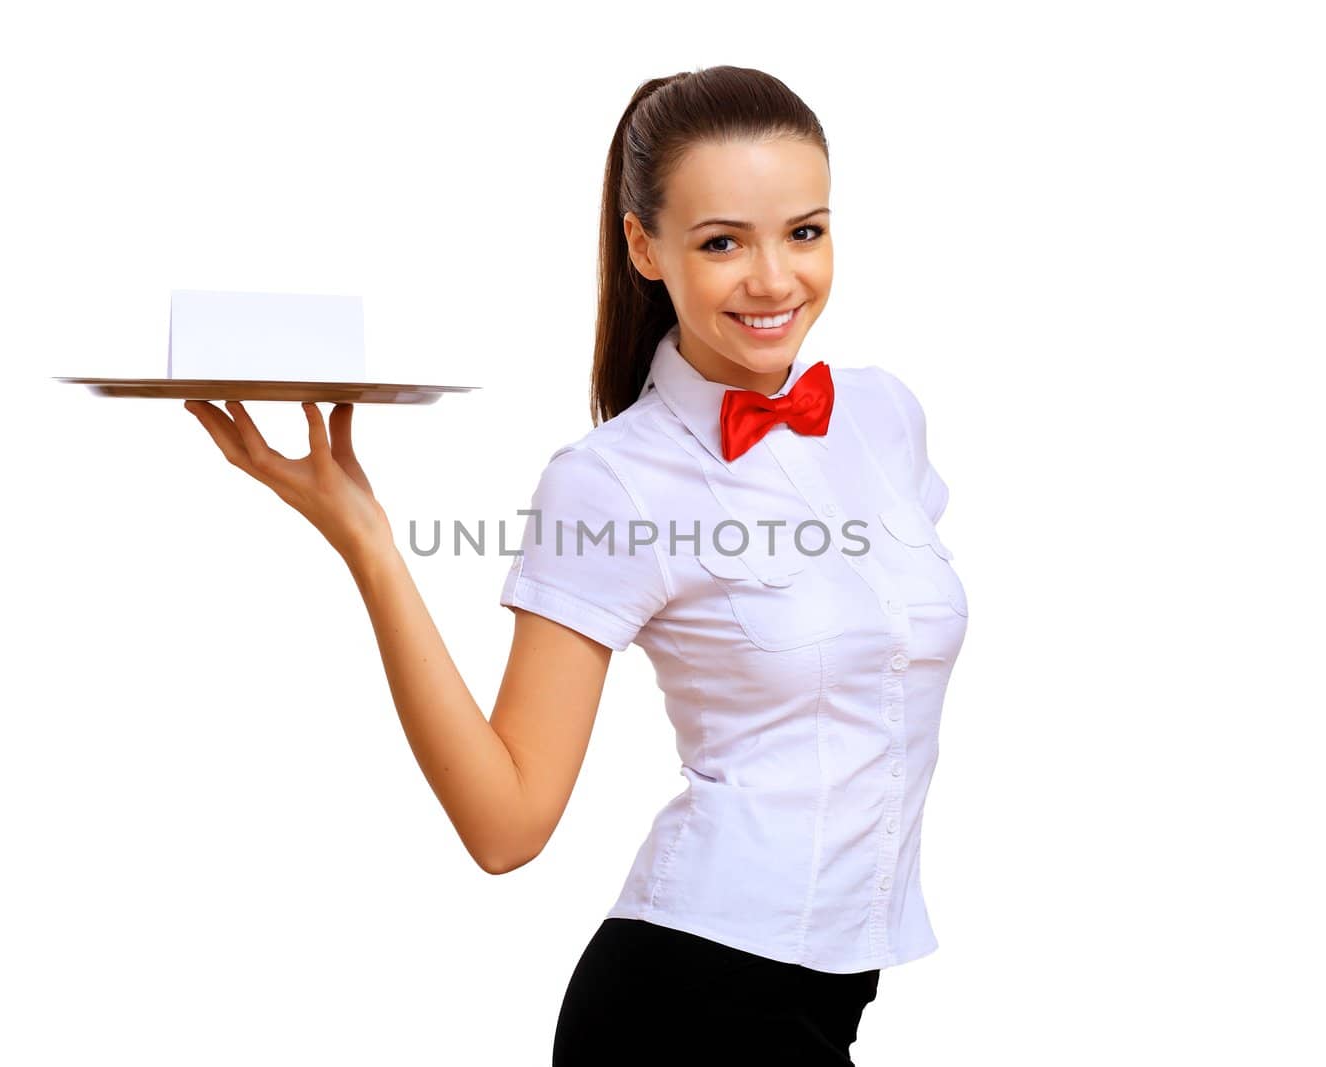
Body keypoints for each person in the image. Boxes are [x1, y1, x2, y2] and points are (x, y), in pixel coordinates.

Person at [184, 65, 968, 1066]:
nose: (774, 279)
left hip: (837, 993)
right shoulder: (611, 483)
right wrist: (369, 543)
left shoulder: (883, 416)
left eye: (804, 231)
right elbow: (504, 823)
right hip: (694, 1004)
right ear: (644, 246)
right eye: (721, 241)